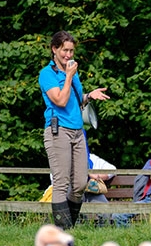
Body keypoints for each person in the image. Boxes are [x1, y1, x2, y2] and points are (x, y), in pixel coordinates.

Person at [39, 30, 109, 229]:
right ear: (54, 49)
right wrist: (68, 76)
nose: (68, 55)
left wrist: (89, 95)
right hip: (58, 131)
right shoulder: (47, 74)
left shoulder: (73, 72)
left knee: (79, 184)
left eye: (71, 51)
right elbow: (60, 100)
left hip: (78, 132)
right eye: (65, 51)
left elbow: (74, 101)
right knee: (61, 183)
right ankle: (63, 231)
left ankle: (67, 227)